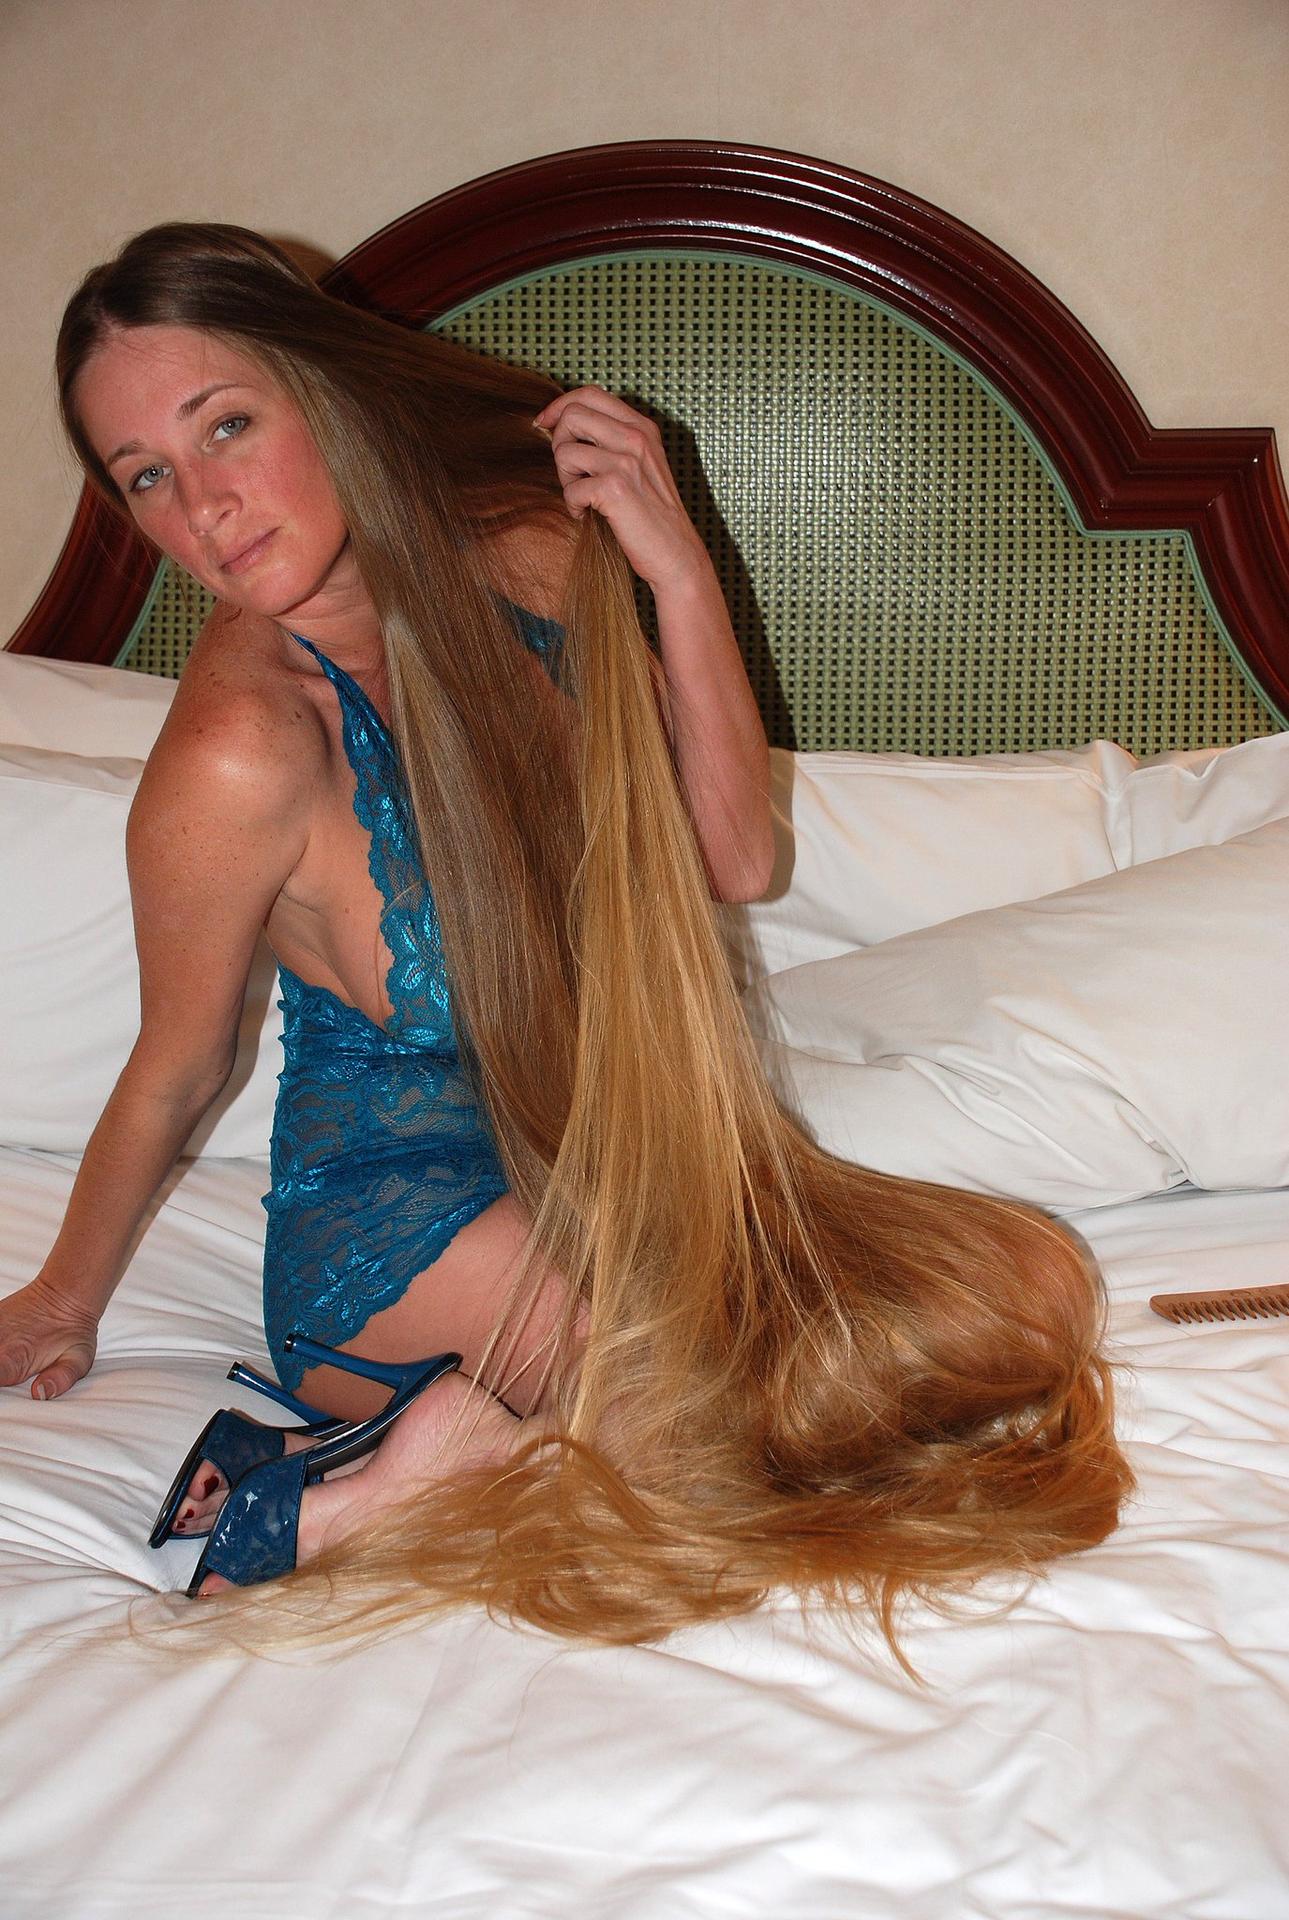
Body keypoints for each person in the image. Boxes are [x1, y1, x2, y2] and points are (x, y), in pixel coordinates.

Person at [0, 224, 1130, 1644]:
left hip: (615, 1161)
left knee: (1025, 1287)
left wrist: (678, 571)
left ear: (326, 394)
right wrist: (62, 1296)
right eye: (148, 476)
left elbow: (732, 854)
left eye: (226, 425)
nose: (205, 506)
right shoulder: (239, 751)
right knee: (694, 1405)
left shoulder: (527, 561)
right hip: (395, 1226)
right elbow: (182, 1063)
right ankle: (314, 1504)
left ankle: (467, 1452)